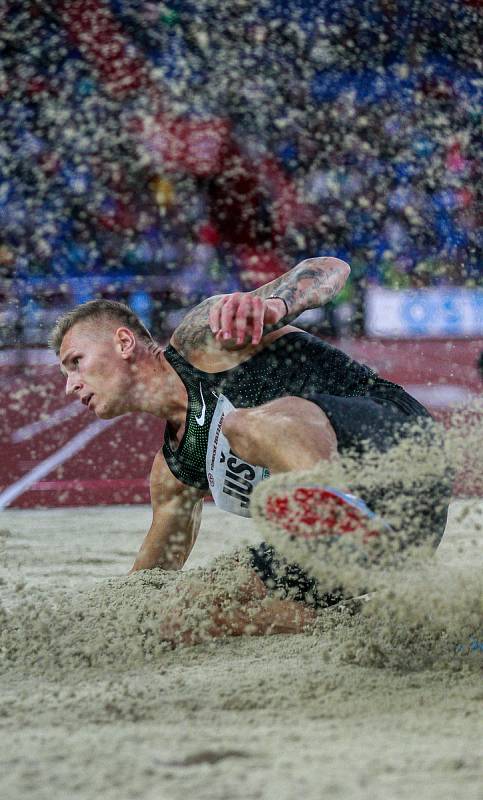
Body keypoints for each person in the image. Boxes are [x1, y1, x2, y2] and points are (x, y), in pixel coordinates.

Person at [51, 256, 452, 645]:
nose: (70, 385)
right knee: (186, 613)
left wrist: (277, 305)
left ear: (123, 342)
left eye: (75, 362)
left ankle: (337, 516)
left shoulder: (202, 339)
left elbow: (331, 269)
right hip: (389, 539)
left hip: (398, 448)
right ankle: (413, 621)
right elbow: (146, 584)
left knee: (240, 425)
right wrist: (97, 623)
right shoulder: (173, 470)